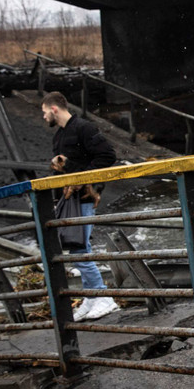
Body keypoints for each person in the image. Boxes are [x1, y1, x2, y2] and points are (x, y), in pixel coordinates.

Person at [40, 91, 119, 322]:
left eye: (45, 112)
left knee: (79, 249)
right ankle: (91, 297)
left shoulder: (84, 128)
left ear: (54, 109)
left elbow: (108, 156)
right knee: (76, 248)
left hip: (85, 196)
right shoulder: (58, 137)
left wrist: (82, 178)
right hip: (68, 200)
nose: (44, 117)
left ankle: (103, 297)